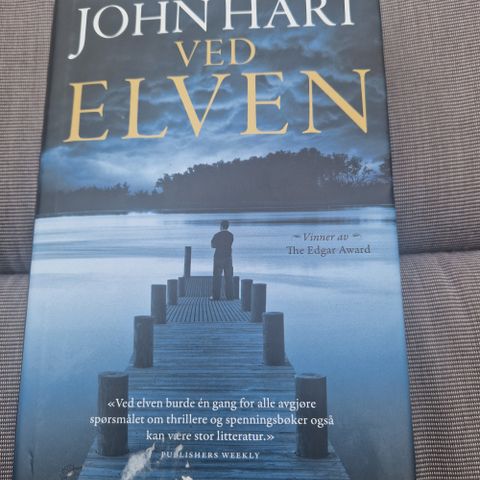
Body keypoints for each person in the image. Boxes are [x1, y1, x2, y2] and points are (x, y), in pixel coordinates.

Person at [211, 220, 234, 300]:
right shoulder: (231, 235)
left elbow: (212, 245)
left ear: (221, 226)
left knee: (217, 277)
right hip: (228, 257)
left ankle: (216, 297)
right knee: (229, 278)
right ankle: (230, 296)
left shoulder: (217, 235)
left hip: (218, 257)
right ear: (228, 226)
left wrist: (218, 245)